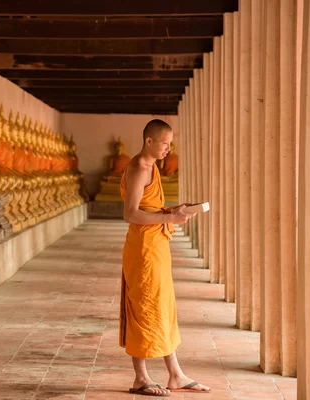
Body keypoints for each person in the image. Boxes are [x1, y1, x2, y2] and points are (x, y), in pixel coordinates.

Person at [120, 119, 211, 397]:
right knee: (144, 306)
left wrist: (172, 210)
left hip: (156, 246)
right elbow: (131, 213)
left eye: (170, 144)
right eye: (165, 143)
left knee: (161, 306)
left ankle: (175, 374)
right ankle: (140, 378)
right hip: (143, 249)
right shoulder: (138, 168)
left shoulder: (154, 167)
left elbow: (150, 207)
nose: (168, 149)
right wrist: (171, 217)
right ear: (149, 141)